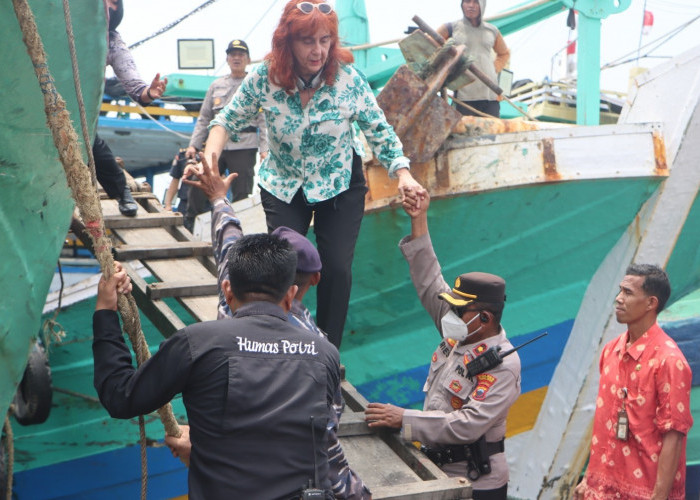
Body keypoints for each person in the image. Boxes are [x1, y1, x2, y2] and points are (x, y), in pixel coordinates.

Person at [201, 0, 427, 348]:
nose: (318, 50)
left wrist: (403, 173)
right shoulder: (264, 77)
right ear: (287, 41)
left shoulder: (349, 79)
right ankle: (284, 344)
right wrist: (210, 158)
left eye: (325, 40)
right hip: (284, 183)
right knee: (285, 267)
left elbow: (378, 130)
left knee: (335, 268)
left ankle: (327, 353)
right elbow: (225, 121)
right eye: (308, 41)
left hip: (339, 182)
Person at [168, 156, 371, 499]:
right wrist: (356, 493)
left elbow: (228, 237)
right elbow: (324, 440)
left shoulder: (232, 288)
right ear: (315, 280)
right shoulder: (315, 346)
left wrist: (219, 198)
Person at [93, 235, 341, 499]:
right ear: (291, 295)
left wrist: (105, 310)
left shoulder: (196, 343)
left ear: (227, 290)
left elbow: (121, 396)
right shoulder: (325, 354)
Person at [364, 190, 520, 500]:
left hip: (475, 484)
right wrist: (419, 219)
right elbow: (429, 279)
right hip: (435, 470)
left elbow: (466, 425)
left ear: (485, 317)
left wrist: (403, 418)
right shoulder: (459, 331)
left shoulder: (503, 365)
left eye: (461, 309)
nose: (452, 313)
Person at [574, 264, 693, 500]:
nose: (618, 299)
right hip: (601, 490)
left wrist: (659, 497)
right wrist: (589, 479)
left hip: (644, 492)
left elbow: (674, 436)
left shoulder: (669, 361)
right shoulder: (610, 351)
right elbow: (604, 423)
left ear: (651, 303)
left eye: (628, 293)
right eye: (620, 291)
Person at [96, 0, 167, 216]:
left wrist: (148, 93)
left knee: (91, 145)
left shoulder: (112, 42)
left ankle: (121, 192)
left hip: (75, 112)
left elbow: (134, 84)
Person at [185, 39, 268, 204]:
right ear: (227, 59)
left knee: (241, 193)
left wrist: (264, 150)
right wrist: (193, 145)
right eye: (233, 55)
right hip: (217, 148)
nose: (237, 58)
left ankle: (238, 228)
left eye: (241, 55)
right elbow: (204, 119)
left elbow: (264, 122)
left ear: (248, 60)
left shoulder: (255, 84)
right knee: (199, 186)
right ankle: (192, 225)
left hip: (244, 147)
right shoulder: (216, 85)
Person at [437, 0, 510, 118]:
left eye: (475, 2)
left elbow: (504, 53)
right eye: (467, 1)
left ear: (482, 5)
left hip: (490, 95)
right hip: (464, 95)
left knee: (492, 133)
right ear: (462, 4)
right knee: (464, 133)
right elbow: (430, 44)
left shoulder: (492, 31)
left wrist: (493, 69)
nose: (471, 6)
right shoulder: (451, 28)